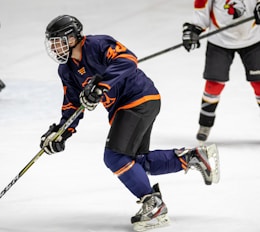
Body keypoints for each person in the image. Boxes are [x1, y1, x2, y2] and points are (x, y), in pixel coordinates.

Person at [41, 15, 220, 232]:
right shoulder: (66, 70)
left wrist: (101, 85)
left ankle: (154, 205)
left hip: (139, 99)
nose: (53, 47)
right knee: (137, 162)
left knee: (115, 157)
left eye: (57, 41)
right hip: (124, 109)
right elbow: (71, 103)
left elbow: (127, 59)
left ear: (72, 38)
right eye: (51, 42)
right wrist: (62, 131)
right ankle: (193, 157)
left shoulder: (98, 44)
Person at [182, 0, 260, 142]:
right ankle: (205, 124)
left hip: (254, 39)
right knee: (213, 84)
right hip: (219, 41)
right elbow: (201, 10)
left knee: (259, 84)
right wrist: (193, 29)